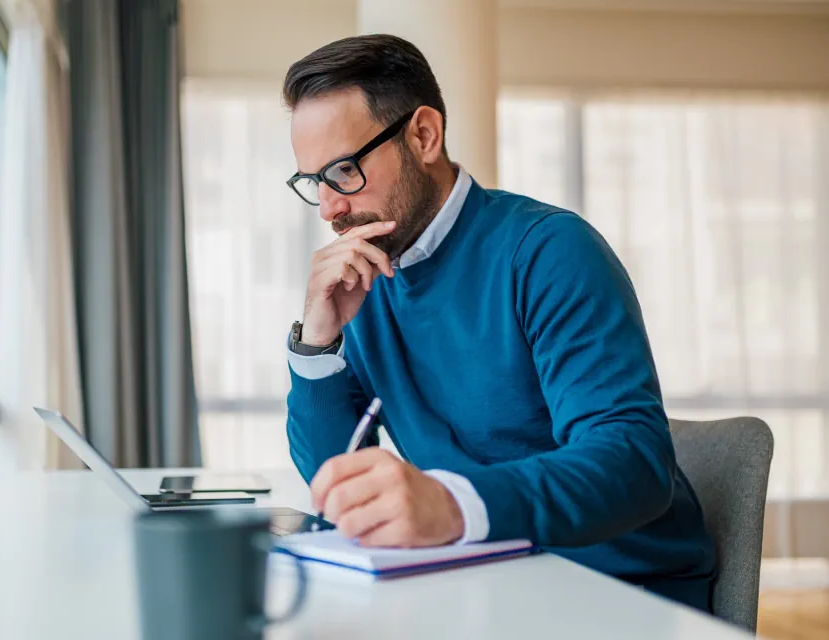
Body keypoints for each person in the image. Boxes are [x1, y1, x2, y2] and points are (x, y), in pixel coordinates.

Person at [281, 34, 716, 612]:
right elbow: (336, 482)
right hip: (486, 582)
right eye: (314, 182)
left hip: (621, 591)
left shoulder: (549, 251)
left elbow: (633, 463)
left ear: (424, 135)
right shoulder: (368, 277)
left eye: (342, 170)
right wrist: (318, 343)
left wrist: (450, 505)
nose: (329, 208)